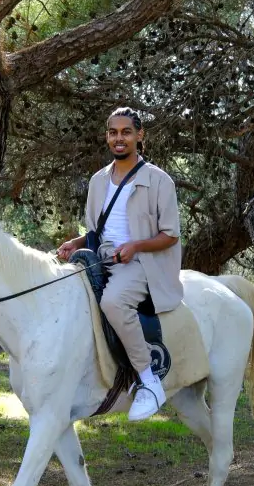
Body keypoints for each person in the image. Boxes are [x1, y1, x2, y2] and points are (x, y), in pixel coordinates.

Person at [57, 108, 184, 421]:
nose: (119, 138)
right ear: (107, 137)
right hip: (101, 258)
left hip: (142, 263)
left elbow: (170, 235)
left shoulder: (158, 180)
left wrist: (135, 246)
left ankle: (149, 380)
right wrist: (76, 243)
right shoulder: (99, 180)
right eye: (113, 132)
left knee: (113, 303)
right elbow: (95, 233)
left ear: (140, 136)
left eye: (126, 132)